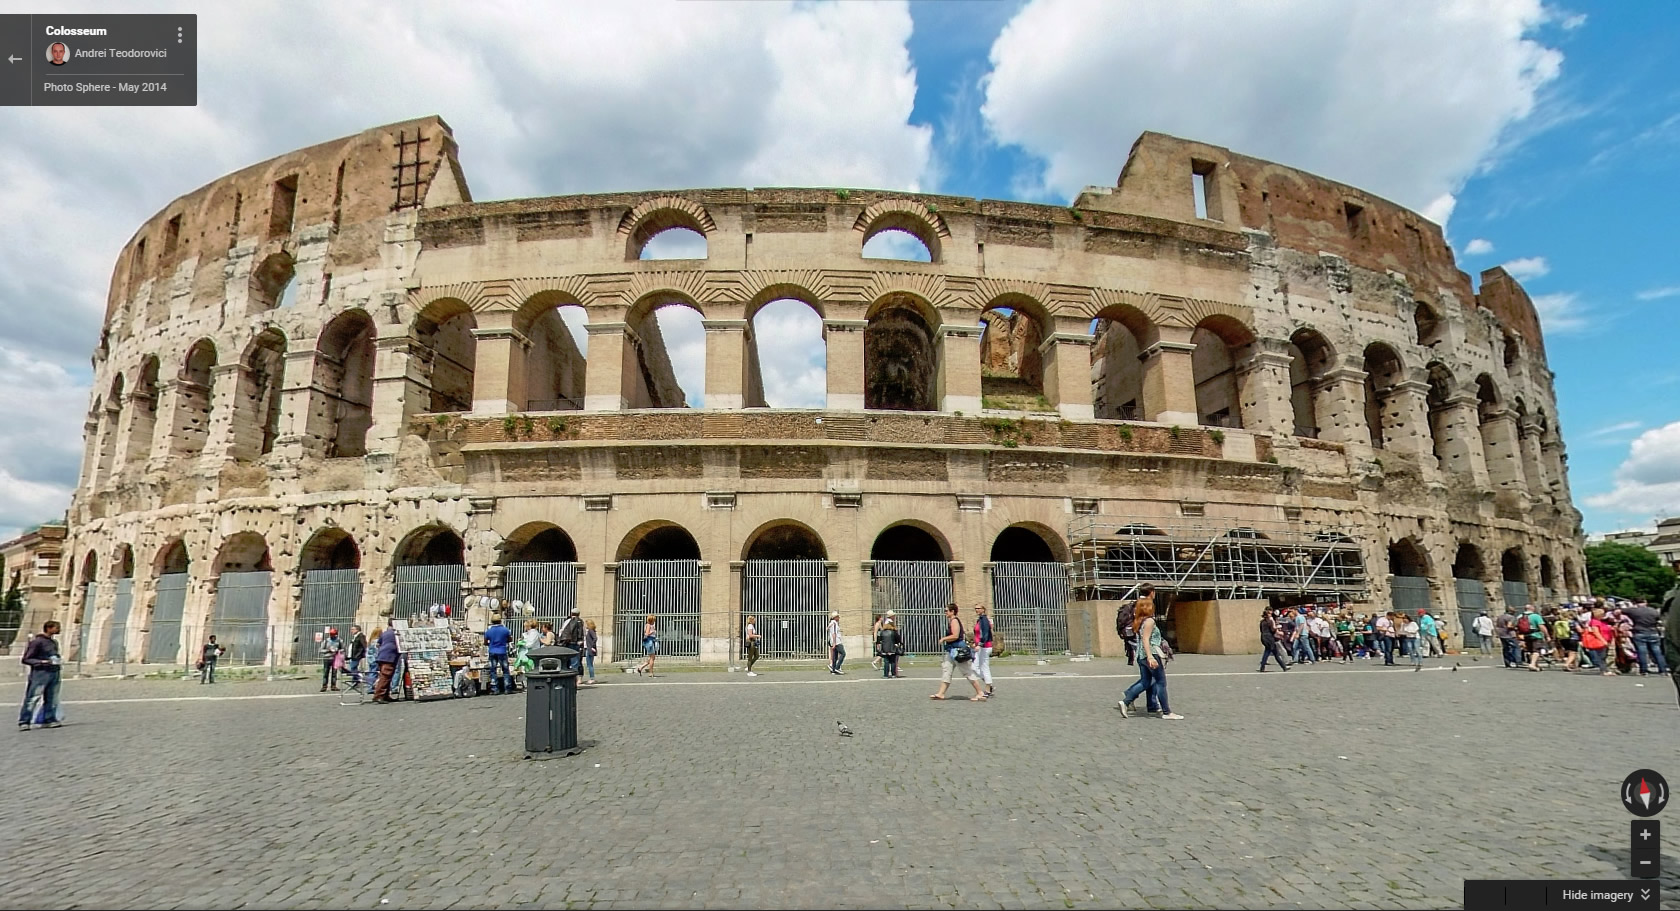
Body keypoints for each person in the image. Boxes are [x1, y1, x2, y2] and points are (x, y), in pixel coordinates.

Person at [1118, 598, 1182, 720]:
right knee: (1160, 683)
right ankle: (1167, 711)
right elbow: (1146, 639)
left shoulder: (1139, 621)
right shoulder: (1149, 621)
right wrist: (1150, 657)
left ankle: (1126, 701)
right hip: (1150, 654)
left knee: (1145, 681)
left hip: (1140, 655)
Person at [930, 604, 984, 701]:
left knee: (966, 671)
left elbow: (955, 635)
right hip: (951, 650)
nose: (945, 613)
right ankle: (941, 693)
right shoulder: (951, 621)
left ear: (952, 611)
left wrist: (944, 638)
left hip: (958, 650)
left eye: (946, 611)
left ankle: (980, 692)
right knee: (947, 670)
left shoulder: (954, 621)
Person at [18, 620, 64, 731]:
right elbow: (26, 659)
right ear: (49, 628)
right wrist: (43, 662)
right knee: (33, 697)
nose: (59, 629)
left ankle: (49, 719)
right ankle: (24, 721)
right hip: (41, 673)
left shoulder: (53, 642)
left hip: (54, 672)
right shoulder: (37, 642)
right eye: (56, 627)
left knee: (51, 698)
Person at [1625, 599, 1669, 676]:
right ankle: (1663, 670)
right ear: (1645, 602)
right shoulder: (1654, 611)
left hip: (1640, 632)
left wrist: (1631, 606)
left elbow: (1621, 610)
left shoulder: (1634, 611)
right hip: (1653, 632)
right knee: (1657, 652)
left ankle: (1644, 670)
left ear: (1635, 603)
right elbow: (1660, 619)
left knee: (1642, 652)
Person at [972, 603, 996, 699]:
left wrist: (980, 644)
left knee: (984, 667)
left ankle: (987, 689)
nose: (976, 610)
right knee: (974, 667)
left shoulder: (984, 620)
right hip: (980, 646)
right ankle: (989, 685)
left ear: (983, 609)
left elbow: (985, 633)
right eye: (975, 608)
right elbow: (978, 633)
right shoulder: (980, 619)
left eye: (978, 608)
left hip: (985, 646)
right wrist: (975, 643)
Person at [484, 616, 513, 694]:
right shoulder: (505, 630)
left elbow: (485, 642)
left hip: (492, 651)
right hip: (502, 651)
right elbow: (510, 639)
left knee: (493, 670)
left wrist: (491, 644)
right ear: (500, 621)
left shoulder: (489, 631)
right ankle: (507, 688)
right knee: (505, 670)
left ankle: (495, 688)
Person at [372, 625, 399, 703]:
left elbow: (378, 644)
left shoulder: (385, 633)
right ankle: (379, 696)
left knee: (386, 676)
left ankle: (385, 695)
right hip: (389, 657)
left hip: (382, 655)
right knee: (385, 676)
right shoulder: (396, 633)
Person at [1258, 607, 1290, 672]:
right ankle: (1283, 667)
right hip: (1269, 638)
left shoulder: (1262, 622)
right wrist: (1276, 627)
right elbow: (1273, 629)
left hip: (1264, 637)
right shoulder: (1270, 620)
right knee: (1274, 653)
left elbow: (1261, 630)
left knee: (1267, 652)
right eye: (1270, 613)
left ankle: (1263, 667)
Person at [1522, 604, 1547, 671]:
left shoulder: (1520, 616)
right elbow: (1541, 626)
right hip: (1536, 635)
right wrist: (1547, 635)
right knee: (1537, 650)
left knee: (1530, 650)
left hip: (1526, 635)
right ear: (1532, 609)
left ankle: (1536, 665)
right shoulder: (1536, 616)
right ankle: (1532, 664)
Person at [319, 627, 344, 692]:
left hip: (335, 658)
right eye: (332, 635)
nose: (333, 636)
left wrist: (337, 650)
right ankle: (324, 686)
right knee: (325, 672)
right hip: (327, 658)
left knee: (334, 673)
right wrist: (328, 650)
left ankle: (333, 686)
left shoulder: (339, 640)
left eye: (334, 635)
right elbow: (321, 650)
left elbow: (343, 649)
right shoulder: (326, 641)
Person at [582, 619, 599, 685]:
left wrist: (592, 646)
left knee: (589, 665)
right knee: (589, 664)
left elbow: (595, 638)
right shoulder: (591, 631)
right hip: (589, 648)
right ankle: (592, 678)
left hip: (589, 649)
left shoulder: (590, 631)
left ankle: (592, 678)